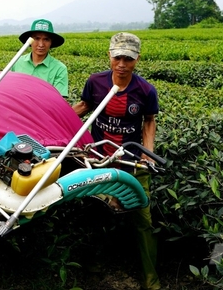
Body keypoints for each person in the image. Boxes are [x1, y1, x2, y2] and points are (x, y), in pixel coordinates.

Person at [72, 32, 160, 290]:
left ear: (137, 60)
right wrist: (57, 118)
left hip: (132, 163)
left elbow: (149, 121)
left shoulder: (145, 90)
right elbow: (85, 106)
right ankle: (92, 265)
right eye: (118, 57)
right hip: (99, 161)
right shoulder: (95, 82)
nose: (122, 64)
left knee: (143, 221)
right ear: (109, 56)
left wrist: (148, 152)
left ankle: (151, 279)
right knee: (95, 213)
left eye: (128, 59)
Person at [11, 18, 68, 97]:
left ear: (51, 42)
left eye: (46, 39)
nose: (41, 44)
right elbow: (9, 90)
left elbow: (58, 101)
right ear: (29, 41)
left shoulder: (59, 69)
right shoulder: (16, 62)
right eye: (37, 38)